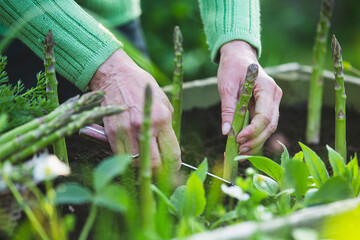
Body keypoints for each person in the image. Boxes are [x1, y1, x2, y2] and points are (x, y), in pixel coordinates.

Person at [0, 0, 282, 169]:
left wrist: (237, 43)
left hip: (116, 21)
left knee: (142, 140)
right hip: (18, 30)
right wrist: (110, 72)